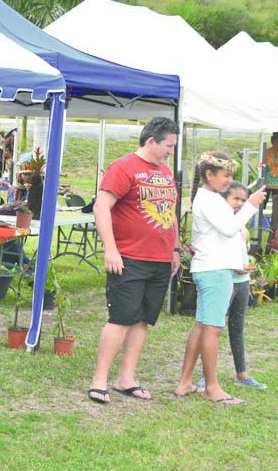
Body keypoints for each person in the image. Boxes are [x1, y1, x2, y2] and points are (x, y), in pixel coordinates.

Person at [87, 117, 180, 405]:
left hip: (160, 259)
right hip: (129, 258)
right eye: (168, 145)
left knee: (142, 319)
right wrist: (110, 249)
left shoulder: (165, 172)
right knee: (121, 318)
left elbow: (171, 211)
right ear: (151, 141)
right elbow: (101, 207)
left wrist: (175, 249)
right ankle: (99, 380)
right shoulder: (124, 167)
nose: (170, 152)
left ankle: (126, 378)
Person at [174, 155, 266, 404]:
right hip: (215, 271)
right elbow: (229, 229)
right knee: (213, 329)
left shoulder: (210, 199)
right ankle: (212, 388)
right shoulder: (209, 200)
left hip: (214, 268)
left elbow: (227, 233)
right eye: (225, 175)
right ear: (209, 175)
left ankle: (184, 383)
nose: (229, 180)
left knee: (203, 326)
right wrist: (252, 204)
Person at [193, 182, 266, 392]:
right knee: (210, 328)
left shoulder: (240, 223)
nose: (239, 204)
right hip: (221, 278)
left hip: (241, 280)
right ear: (223, 200)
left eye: (244, 200)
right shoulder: (221, 220)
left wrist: (244, 267)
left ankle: (242, 374)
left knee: (237, 327)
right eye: (235, 199)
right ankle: (205, 376)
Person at [263, 132, 278, 248]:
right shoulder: (267, 152)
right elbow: (262, 166)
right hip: (267, 184)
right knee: (260, 206)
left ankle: (272, 238)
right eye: (276, 141)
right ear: (273, 141)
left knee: (276, 212)